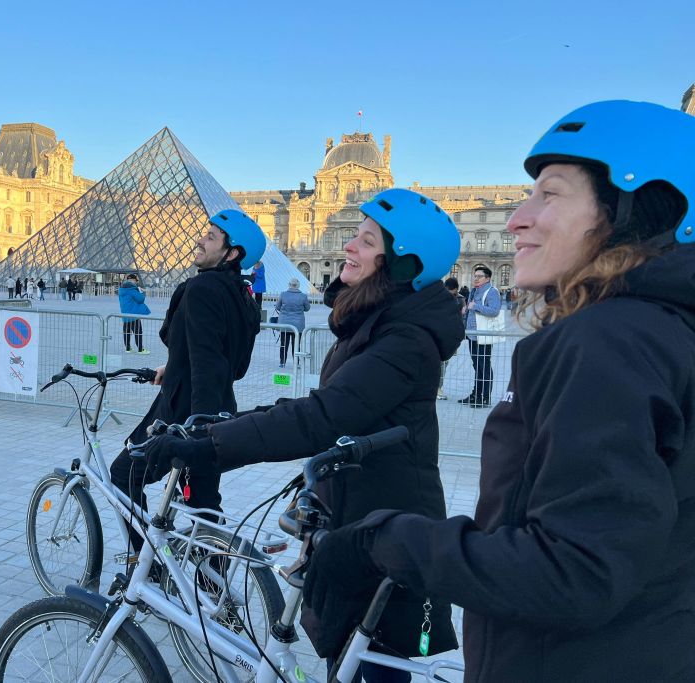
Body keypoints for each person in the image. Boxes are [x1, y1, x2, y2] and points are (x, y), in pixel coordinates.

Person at [297, 100, 695, 682]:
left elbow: (573, 572)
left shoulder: (606, 341)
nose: (515, 220)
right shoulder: (663, 332)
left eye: (549, 195)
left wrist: (381, 540)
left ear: (637, 211)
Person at [142, 189, 463, 681]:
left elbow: (320, 417)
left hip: (384, 523)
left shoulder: (404, 341)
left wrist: (210, 448)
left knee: (375, 661)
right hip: (358, 512)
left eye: (366, 240)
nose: (348, 246)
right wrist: (218, 427)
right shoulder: (379, 324)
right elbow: (318, 407)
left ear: (402, 263)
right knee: (350, 657)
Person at [109, 209, 266, 555]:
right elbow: (230, 362)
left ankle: (149, 567)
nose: (200, 240)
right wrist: (175, 364)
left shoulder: (200, 289)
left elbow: (207, 362)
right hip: (221, 409)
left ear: (232, 253)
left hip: (185, 413)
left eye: (211, 237)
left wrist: (197, 428)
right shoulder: (243, 296)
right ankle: (213, 585)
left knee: (123, 476)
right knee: (204, 507)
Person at [458, 265, 500, 407]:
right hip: (473, 335)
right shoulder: (474, 291)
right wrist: (466, 309)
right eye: (475, 276)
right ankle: (475, 394)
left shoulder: (492, 292)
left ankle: (485, 398)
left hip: (484, 335)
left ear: (487, 278)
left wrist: (475, 306)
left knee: (484, 365)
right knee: (476, 365)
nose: (476, 278)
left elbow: (494, 311)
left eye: (479, 276)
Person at [437, 277, 466, 400]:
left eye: (452, 292)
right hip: (440, 335)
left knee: (444, 363)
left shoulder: (460, 299)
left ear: (456, 289)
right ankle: (437, 388)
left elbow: (462, 316)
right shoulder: (440, 298)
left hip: (450, 336)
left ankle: (438, 387)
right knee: (439, 364)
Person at [273, 277, 309, 367]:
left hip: (284, 324)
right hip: (298, 325)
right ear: (298, 285)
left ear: (289, 285)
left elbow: (277, 307)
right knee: (296, 345)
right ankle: (296, 363)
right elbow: (307, 308)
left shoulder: (283, 294)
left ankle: (282, 362)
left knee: (283, 344)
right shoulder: (303, 296)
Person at [118, 273, 151, 354]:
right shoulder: (132, 290)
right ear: (133, 280)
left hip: (125, 314)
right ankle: (140, 349)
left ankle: (128, 348)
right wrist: (141, 291)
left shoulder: (121, 289)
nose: (136, 282)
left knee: (127, 332)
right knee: (138, 332)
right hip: (133, 314)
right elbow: (140, 299)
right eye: (136, 281)